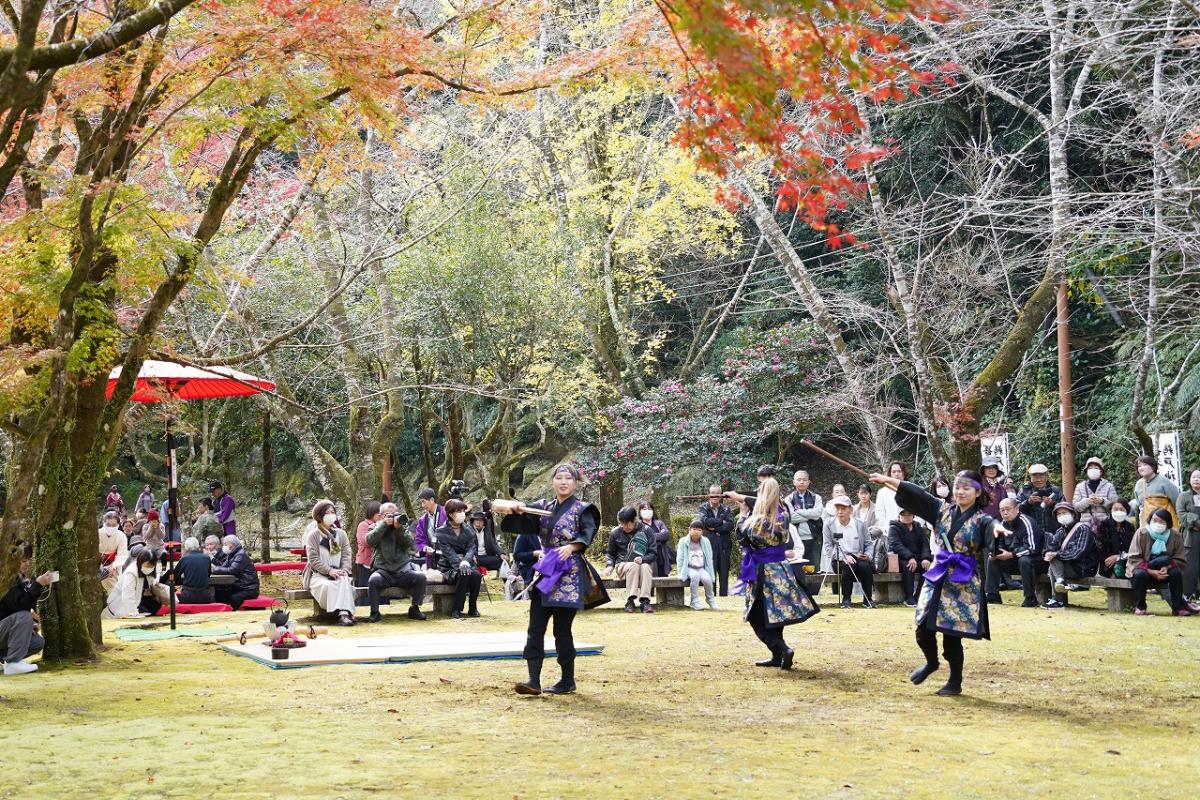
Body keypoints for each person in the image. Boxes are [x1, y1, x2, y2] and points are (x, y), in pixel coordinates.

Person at [870, 468, 998, 697]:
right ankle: (931, 662)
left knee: (952, 635)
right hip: (939, 573)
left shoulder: (983, 520)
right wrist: (887, 480)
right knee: (922, 626)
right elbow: (917, 494)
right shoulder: (942, 510)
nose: (960, 492)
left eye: (966, 488)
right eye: (957, 487)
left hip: (962, 580)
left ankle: (955, 681)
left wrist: (997, 531)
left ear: (978, 492)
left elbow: (993, 531)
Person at [499, 463, 601, 696]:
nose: (563, 482)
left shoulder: (583, 509)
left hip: (568, 573)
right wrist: (516, 511)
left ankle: (567, 680)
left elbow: (588, 533)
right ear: (552, 482)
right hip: (545, 571)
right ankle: (533, 680)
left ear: (575, 483)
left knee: (562, 630)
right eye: (559, 478)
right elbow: (522, 525)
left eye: (568, 478)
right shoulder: (542, 507)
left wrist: (573, 546)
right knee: (535, 627)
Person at [735, 477, 819, 670]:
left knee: (755, 616)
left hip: (762, 571)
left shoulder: (757, 521)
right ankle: (776, 656)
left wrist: (742, 514)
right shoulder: (783, 515)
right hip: (781, 568)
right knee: (775, 613)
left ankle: (782, 649)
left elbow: (742, 537)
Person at [364, 502, 428, 623]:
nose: (393, 517)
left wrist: (398, 529)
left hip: (403, 570)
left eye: (395, 514)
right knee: (373, 580)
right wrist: (384, 525)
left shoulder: (402, 528)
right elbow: (370, 540)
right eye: (389, 515)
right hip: (383, 571)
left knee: (420, 577)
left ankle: (414, 608)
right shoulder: (375, 526)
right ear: (381, 516)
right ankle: (374, 612)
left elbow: (409, 543)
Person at [1127, 508, 1192, 616]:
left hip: (1165, 568)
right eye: (1155, 520)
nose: (1158, 523)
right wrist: (1150, 571)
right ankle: (1140, 606)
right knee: (1140, 575)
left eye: (1162, 521)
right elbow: (1134, 557)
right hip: (1144, 567)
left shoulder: (1175, 535)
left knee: (1176, 573)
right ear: (1150, 520)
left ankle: (1177, 608)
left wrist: (1167, 567)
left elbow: (1180, 558)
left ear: (1168, 523)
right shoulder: (1142, 533)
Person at [302, 501, 355, 625]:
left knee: (343, 580)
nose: (331, 515)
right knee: (329, 586)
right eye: (327, 513)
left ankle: (343, 614)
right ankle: (346, 613)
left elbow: (347, 554)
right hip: (319, 576)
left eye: (333, 512)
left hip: (339, 572)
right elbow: (313, 559)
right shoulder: (313, 536)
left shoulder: (341, 534)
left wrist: (344, 570)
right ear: (319, 516)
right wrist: (329, 571)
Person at [0, 541, 49, 676]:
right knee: (24, 616)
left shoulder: (21, 578)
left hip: (4, 629)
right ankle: (13, 663)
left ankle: (5, 660)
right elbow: (20, 606)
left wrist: (29, 626)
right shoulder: (6, 578)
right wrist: (38, 585)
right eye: (23, 560)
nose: (27, 564)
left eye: (28, 560)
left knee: (37, 642)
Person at [985, 498, 1045, 607]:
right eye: (1002, 510)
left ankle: (1030, 598)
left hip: (1037, 561)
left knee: (1024, 560)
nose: (1005, 513)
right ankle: (993, 595)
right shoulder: (1002, 524)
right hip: (1015, 560)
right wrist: (995, 552)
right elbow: (1000, 544)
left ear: (1017, 509)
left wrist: (1012, 554)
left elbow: (1032, 548)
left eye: (1008, 509)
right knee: (992, 560)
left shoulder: (1027, 522)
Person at [1040, 502, 1100, 608]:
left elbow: (1078, 552)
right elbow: (1051, 546)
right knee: (1052, 561)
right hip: (1068, 566)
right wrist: (1047, 553)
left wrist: (1056, 555)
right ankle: (1060, 586)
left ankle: (1058, 599)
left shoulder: (1083, 529)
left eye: (1064, 512)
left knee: (1053, 563)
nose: (1062, 516)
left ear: (1073, 514)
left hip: (1083, 567)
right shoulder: (1060, 531)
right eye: (1059, 514)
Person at [823, 495, 875, 609]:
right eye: (837, 508)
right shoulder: (829, 525)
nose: (840, 512)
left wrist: (868, 555)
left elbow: (868, 543)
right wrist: (843, 557)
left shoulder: (860, 524)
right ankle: (846, 599)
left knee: (865, 566)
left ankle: (868, 599)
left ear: (850, 510)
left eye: (843, 508)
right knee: (848, 566)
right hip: (839, 559)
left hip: (858, 556)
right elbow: (827, 548)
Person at [436, 499, 483, 619]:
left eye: (463, 510)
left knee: (476, 575)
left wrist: (466, 561)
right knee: (464, 574)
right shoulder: (441, 532)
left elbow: (471, 548)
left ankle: (473, 607)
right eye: (459, 511)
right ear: (451, 514)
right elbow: (448, 553)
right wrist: (460, 564)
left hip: (468, 563)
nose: (462, 513)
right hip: (449, 566)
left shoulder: (468, 529)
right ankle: (457, 608)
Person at [606, 505, 656, 613]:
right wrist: (610, 565)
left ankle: (645, 601)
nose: (625, 526)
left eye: (628, 524)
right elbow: (610, 553)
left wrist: (643, 559)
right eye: (622, 524)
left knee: (646, 567)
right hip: (622, 565)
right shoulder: (615, 533)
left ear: (635, 520)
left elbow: (653, 553)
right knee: (633, 566)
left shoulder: (647, 530)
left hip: (642, 564)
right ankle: (630, 600)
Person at [103, 550, 166, 618]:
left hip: (138, 600)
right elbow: (127, 596)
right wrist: (133, 613)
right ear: (141, 562)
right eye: (147, 565)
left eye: (152, 566)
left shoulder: (150, 570)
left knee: (154, 605)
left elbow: (155, 575)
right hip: (120, 605)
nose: (149, 568)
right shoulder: (131, 573)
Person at [889, 508, 931, 608]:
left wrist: (926, 558)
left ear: (913, 516)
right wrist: (910, 557)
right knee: (908, 565)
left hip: (917, 558)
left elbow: (925, 544)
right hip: (901, 558)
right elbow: (896, 545)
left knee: (929, 565)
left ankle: (919, 595)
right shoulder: (894, 528)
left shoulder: (918, 528)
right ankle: (909, 596)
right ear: (899, 516)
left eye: (909, 514)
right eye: (904, 514)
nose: (907, 517)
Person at [698, 485, 736, 595]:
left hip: (724, 545)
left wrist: (714, 527)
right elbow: (704, 522)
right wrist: (721, 521)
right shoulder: (703, 508)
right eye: (712, 493)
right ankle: (711, 596)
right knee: (710, 572)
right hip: (709, 544)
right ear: (709, 494)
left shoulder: (726, 509)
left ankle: (724, 596)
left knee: (724, 573)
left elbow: (730, 525)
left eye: (717, 493)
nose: (715, 495)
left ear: (721, 495)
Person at [783, 471, 824, 568]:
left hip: (813, 538)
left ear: (809, 482)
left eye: (805, 480)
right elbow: (791, 517)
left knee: (814, 569)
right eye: (799, 480)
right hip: (796, 540)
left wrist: (799, 511)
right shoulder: (788, 499)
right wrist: (810, 515)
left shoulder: (816, 498)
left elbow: (817, 514)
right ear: (794, 482)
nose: (802, 482)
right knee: (797, 569)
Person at [211, 534, 259, 610]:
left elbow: (232, 570)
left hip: (248, 588)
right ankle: (221, 612)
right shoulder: (232, 554)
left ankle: (232, 613)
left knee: (233, 598)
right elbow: (224, 566)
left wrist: (215, 569)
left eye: (225, 544)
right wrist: (214, 564)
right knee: (219, 592)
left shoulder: (241, 554)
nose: (224, 546)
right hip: (239, 586)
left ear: (232, 544)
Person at [1130, 455, 1180, 528]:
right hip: (1146, 523)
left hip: (1165, 522)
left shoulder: (1164, 481)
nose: (1141, 468)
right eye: (1139, 466)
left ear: (1153, 467)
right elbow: (1140, 504)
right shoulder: (1139, 484)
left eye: (1145, 465)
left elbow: (1177, 502)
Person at [677, 519, 716, 610]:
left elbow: (709, 557)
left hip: (701, 567)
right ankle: (694, 601)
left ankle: (710, 599)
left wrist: (709, 570)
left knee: (707, 579)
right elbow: (680, 558)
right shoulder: (683, 541)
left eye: (699, 530)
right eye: (694, 529)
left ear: (702, 532)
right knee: (695, 576)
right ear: (689, 530)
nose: (696, 532)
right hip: (688, 567)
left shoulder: (705, 541)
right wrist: (681, 570)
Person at [1017, 463, 1064, 536]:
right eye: (1035, 476)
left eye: (1041, 476)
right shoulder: (1024, 491)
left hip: (1053, 532)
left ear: (1047, 477)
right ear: (1030, 478)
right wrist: (1028, 502)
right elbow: (1016, 510)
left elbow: (1065, 509)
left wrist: (1053, 504)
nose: (1039, 480)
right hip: (1030, 532)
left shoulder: (1055, 490)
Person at [1072, 456, 1118, 529]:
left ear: (1101, 471)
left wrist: (1102, 501)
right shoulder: (1080, 487)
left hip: (1104, 525)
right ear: (1086, 471)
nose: (1093, 470)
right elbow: (1076, 507)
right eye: (1090, 468)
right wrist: (1087, 501)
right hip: (1085, 526)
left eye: (1096, 468)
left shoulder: (1109, 486)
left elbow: (1116, 506)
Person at [1096, 498, 1136, 579]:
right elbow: (1101, 549)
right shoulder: (1103, 525)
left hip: (1127, 561)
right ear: (1110, 510)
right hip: (1108, 564)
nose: (1119, 511)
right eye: (1115, 509)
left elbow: (1133, 549)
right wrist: (1115, 559)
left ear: (1126, 511)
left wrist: (1119, 557)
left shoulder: (1130, 527)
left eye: (1121, 509)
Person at [1177, 470, 1200, 600]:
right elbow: (1181, 513)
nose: (1196, 479)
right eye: (1194, 477)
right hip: (1191, 535)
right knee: (1190, 566)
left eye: (1199, 477)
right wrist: (1196, 521)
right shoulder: (1184, 496)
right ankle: (1187, 594)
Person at [412, 488, 446, 571]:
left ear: (432, 500)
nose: (422, 505)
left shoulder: (446, 512)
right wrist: (425, 548)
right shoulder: (422, 520)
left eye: (424, 502)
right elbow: (419, 540)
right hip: (431, 557)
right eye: (421, 502)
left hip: (447, 555)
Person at [173, 537, 214, 604]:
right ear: (198, 546)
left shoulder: (184, 559)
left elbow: (175, 576)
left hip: (187, 596)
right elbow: (208, 575)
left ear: (186, 548)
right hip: (205, 596)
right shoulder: (207, 558)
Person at [637, 502, 672, 578]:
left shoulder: (659, 523)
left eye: (649, 509)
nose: (647, 511)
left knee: (663, 583)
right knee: (649, 583)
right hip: (647, 557)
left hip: (661, 556)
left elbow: (666, 535)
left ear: (653, 511)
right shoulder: (638, 526)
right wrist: (659, 535)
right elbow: (641, 540)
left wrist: (650, 537)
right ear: (640, 512)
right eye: (644, 509)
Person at [97, 511, 128, 594]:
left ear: (118, 525)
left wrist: (113, 567)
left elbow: (122, 554)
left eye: (114, 525)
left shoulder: (121, 536)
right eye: (108, 524)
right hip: (96, 563)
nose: (111, 527)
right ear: (103, 523)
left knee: (114, 591)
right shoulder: (97, 533)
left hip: (113, 565)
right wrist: (100, 566)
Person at [355, 500, 383, 590]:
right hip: (366, 564)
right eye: (379, 514)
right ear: (372, 513)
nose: (381, 516)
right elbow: (366, 542)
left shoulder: (383, 525)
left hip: (381, 564)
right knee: (366, 590)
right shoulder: (363, 525)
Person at [876, 462, 906, 531]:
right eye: (894, 472)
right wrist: (886, 528)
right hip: (890, 531)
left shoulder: (911, 490)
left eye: (899, 471)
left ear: (904, 473)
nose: (897, 474)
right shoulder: (882, 492)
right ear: (890, 474)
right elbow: (879, 513)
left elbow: (919, 512)